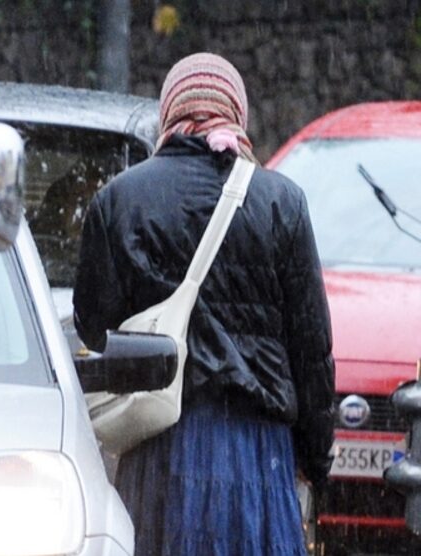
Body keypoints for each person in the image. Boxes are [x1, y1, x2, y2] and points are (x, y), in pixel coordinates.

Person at [73, 52, 335, 555]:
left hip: (159, 447)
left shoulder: (121, 199)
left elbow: (93, 328)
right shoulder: (282, 201)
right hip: (259, 454)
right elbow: (311, 346)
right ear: (235, 111)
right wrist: (315, 457)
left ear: (169, 110)